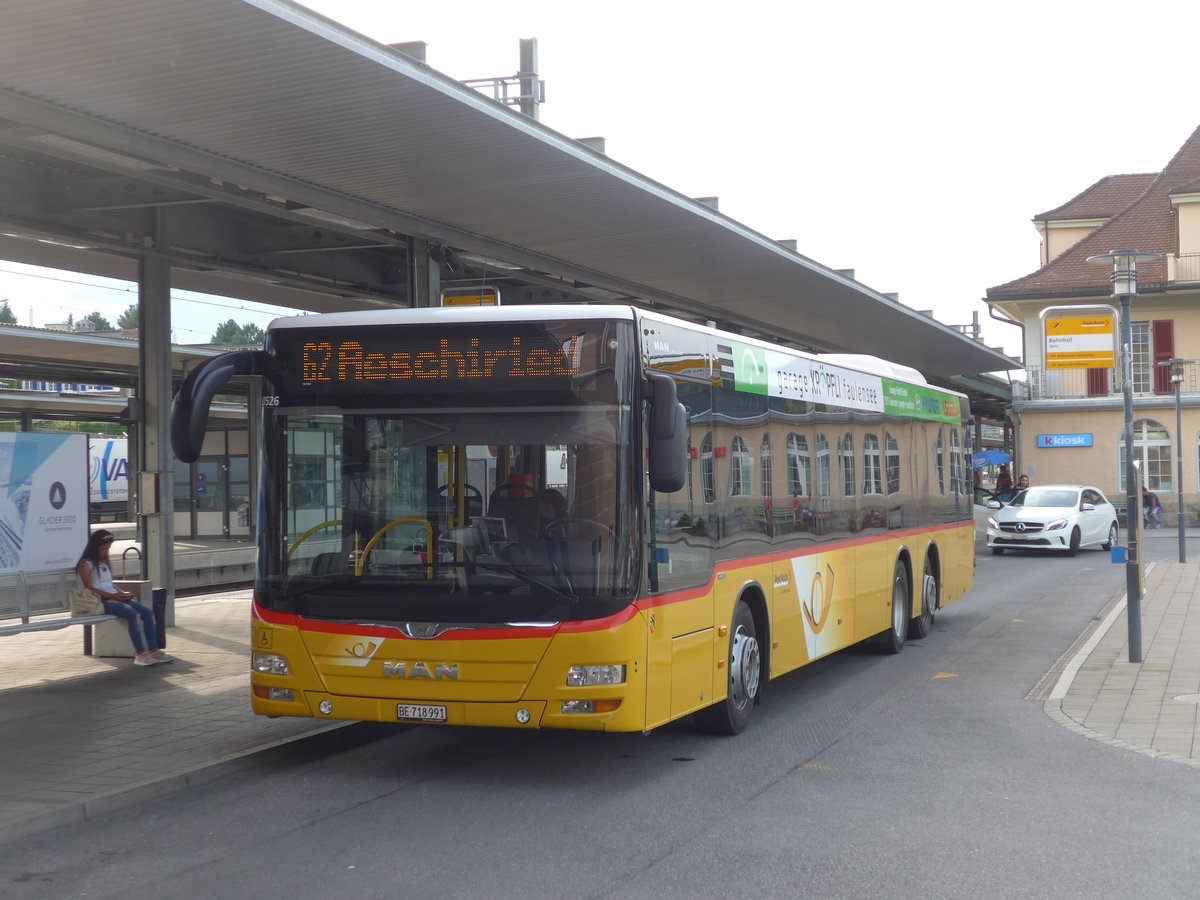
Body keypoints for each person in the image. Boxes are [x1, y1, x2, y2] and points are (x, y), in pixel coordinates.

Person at [77, 530, 174, 667]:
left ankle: (154, 650)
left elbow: (109, 584)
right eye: (104, 549)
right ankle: (140, 654)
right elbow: (90, 588)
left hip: (114, 597)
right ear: (95, 547)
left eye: (108, 549)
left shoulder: (104, 563)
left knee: (147, 612)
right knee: (132, 615)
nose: (106, 552)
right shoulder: (85, 564)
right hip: (100, 601)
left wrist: (122, 593)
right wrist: (113, 596)